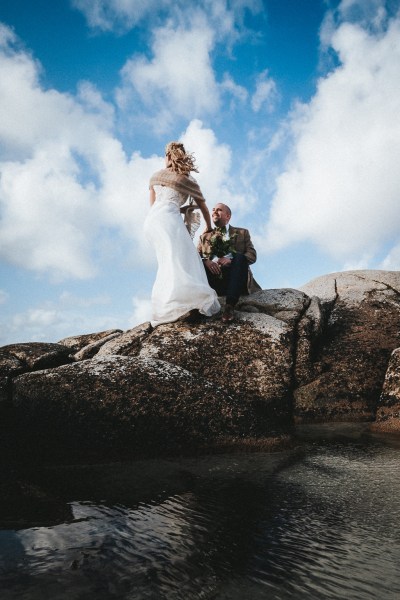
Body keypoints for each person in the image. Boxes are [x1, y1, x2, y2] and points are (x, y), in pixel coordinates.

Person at [144, 141, 220, 327]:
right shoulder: (188, 180)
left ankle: (168, 305)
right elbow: (203, 207)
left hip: (152, 221)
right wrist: (209, 227)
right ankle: (183, 303)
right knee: (181, 259)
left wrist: (181, 209)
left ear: (168, 156)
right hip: (169, 220)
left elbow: (155, 206)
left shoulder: (156, 177)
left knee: (168, 261)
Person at [197, 203, 261, 322]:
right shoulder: (204, 237)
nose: (215, 212)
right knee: (198, 266)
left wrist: (231, 260)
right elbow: (194, 258)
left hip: (236, 278)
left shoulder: (242, 233)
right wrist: (206, 261)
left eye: (219, 210)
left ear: (228, 216)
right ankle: (197, 308)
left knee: (240, 257)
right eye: (213, 210)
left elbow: (252, 256)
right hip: (214, 280)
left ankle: (229, 306)